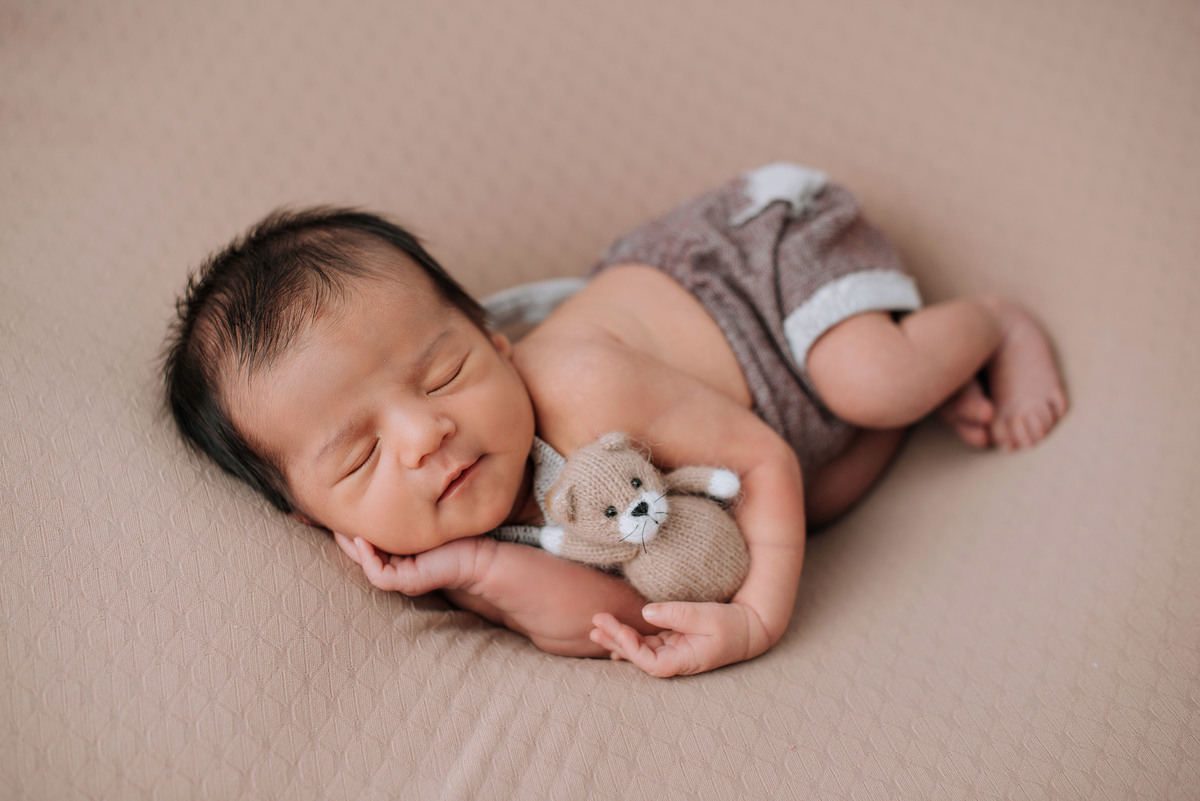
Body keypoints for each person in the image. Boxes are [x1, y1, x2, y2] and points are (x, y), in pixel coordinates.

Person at [162, 163, 1067, 677]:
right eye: (359, 457)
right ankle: (925, 387)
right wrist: (478, 568)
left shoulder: (580, 385)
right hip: (755, 433)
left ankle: (987, 325)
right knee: (818, 506)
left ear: (496, 341)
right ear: (311, 515)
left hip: (756, 281)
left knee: (869, 383)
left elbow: (763, 462)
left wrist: (756, 619)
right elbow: (611, 614)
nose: (424, 434)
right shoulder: (450, 546)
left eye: (445, 372)